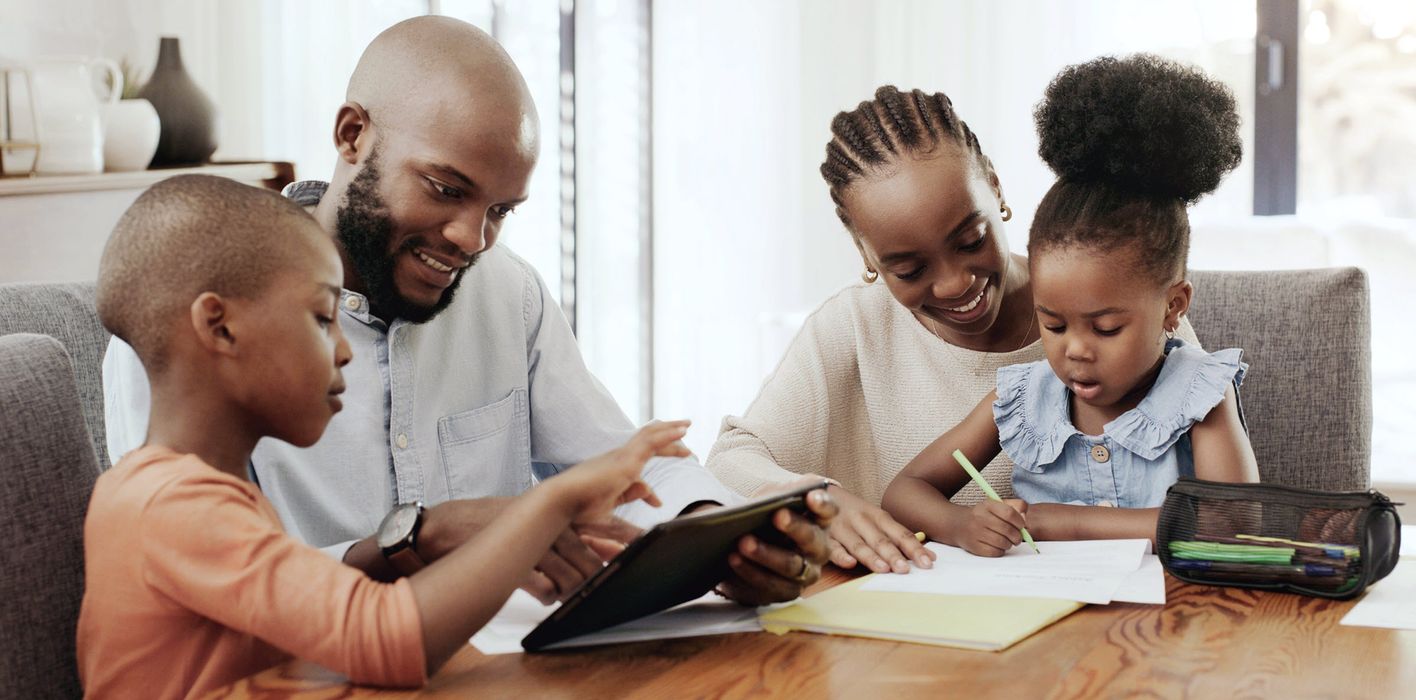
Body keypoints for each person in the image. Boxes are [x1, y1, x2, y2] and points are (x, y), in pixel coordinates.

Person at [102, 16, 831, 607]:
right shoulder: (199, 326)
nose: (471, 240)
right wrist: (416, 538)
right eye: (446, 190)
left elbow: (618, 470)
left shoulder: (505, 292)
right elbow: (200, 574)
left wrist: (713, 535)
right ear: (353, 135)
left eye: (501, 211)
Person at [79, 174, 691, 699]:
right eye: (323, 319)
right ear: (221, 327)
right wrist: (551, 502)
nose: (345, 350)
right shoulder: (175, 509)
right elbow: (388, 637)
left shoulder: (194, 495)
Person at [706, 84, 1201, 574]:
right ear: (866, 254)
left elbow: (1219, 497)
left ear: (996, 188)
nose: (954, 284)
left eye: (971, 240)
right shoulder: (854, 327)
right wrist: (817, 498)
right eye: (909, 270)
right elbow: (730, 459)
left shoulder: (1116, 302)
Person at [881, 54, 1261, 555]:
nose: (1075, 350)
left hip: (1170, 621)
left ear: (1173, 307)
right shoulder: (1021, 400)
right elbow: (904, 492)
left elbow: (1230, 523)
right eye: (1053, 324)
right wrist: (957, 525)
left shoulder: (1198, 395)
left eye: (1105, 328)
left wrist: (1063, 523)